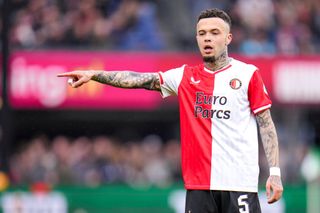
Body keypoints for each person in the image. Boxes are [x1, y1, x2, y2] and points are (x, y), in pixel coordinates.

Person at [58, 8, 283, 213]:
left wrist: (275, 173)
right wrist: (95, 74)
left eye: (215, 32)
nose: (207, 37)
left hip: (239, 185)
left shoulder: (248, 74)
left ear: (228, 38)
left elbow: (266, 124)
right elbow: (138, 79)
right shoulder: (184, 76)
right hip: (199, 187)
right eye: (202, 33)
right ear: (196, 38)